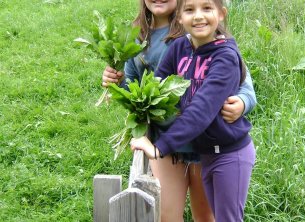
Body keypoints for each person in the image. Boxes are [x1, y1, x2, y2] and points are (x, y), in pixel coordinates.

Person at [101, 0, 256, 221]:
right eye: (191, 10)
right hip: (167, 142)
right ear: (184, 15)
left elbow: (240, 78)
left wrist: (244, 100)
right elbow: (145, 88)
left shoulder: (205, 33)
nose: (198, 15)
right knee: (167, 215)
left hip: (209, 146)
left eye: (204, 9)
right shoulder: (147, 39)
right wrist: (117, 82)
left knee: (207, 216)